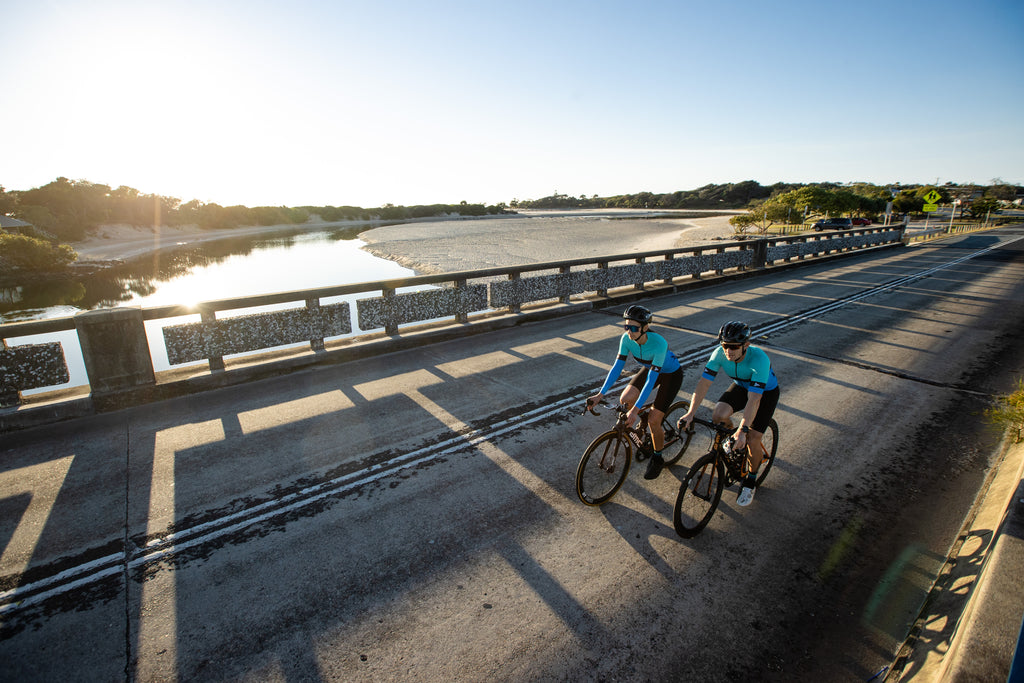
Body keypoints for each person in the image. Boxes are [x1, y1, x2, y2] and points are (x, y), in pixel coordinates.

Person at [679, 321, 779, 507]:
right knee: (718, 415)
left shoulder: (759, 359)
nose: (728, 351)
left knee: (753, 439)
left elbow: (753, 400)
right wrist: (691, 413)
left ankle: (751, 480)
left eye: (733, 347)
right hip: (742, 386)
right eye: (725, 345)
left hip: (763, 394)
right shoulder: (719, 354)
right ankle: (735, 442)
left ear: (746, 345)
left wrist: (743, 429)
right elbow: (704, 384)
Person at [586, 305, 683, 480]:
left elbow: (651, 381)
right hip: (650, 368)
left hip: (670, 375)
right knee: (626, 399)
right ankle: (642, 421)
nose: (629, 331)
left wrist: (636, 410)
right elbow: (617, 368)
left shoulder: (659, 343)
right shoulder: (626, 339)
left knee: (654, 420)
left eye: (633, 328)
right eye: (626, 326)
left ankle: (658, 458)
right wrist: (600, 394)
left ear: (645, 328)